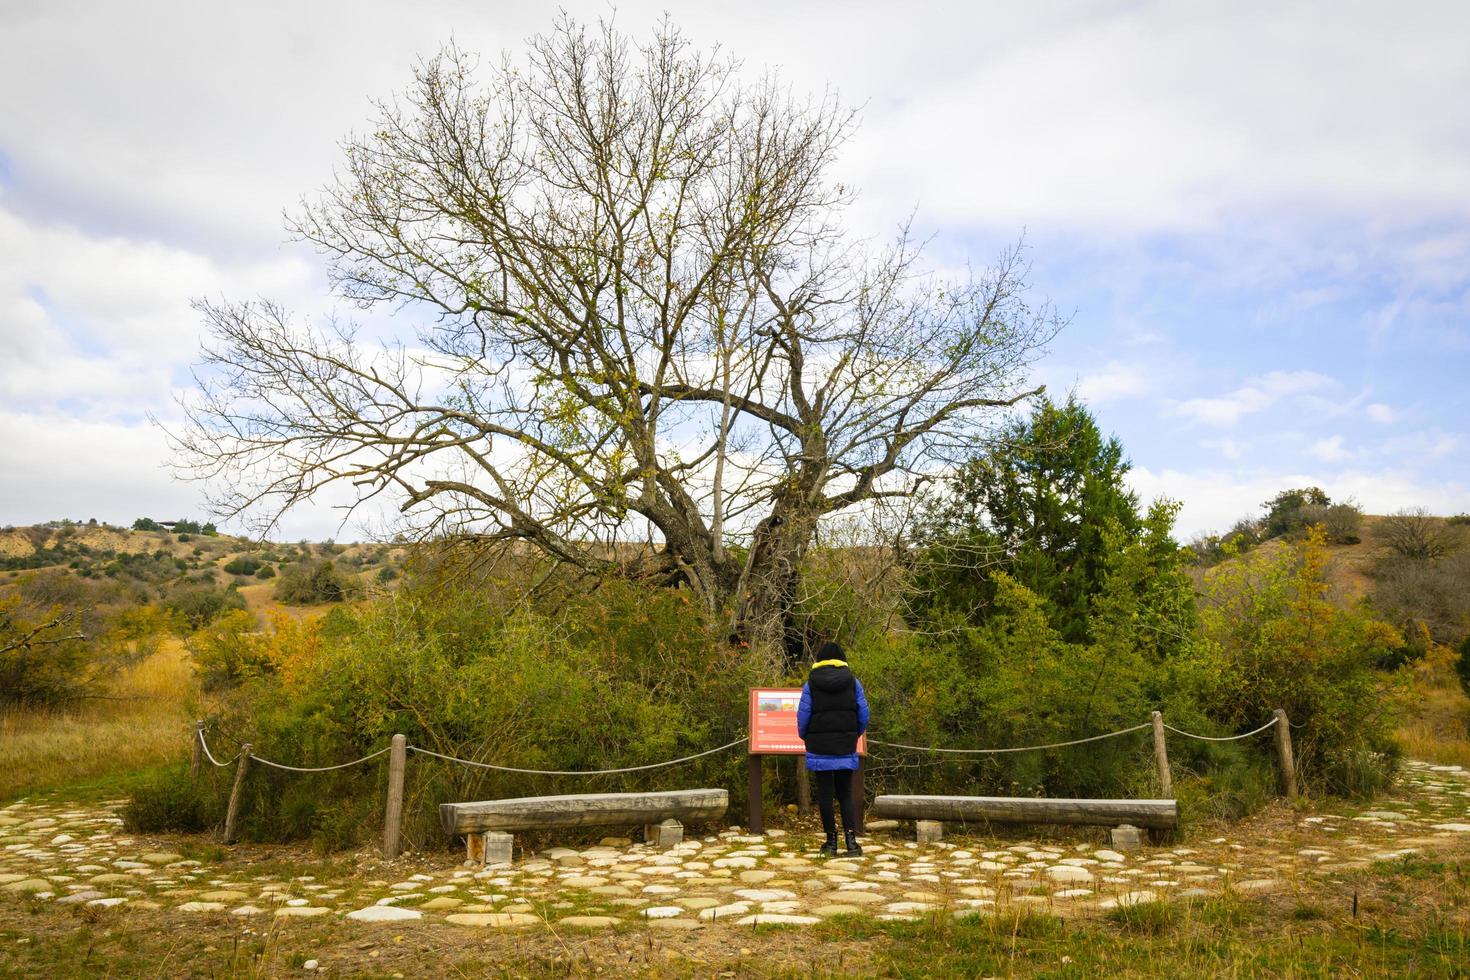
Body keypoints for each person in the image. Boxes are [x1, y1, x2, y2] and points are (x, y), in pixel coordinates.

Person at [796, 641, 869, 857]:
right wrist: (853, 734)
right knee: (845, 794)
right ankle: (852, 842)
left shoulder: (810, 684)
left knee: (826, 796)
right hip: (845, 744)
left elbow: (803, 717)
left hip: (819, 747)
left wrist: (806, 737)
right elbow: (864, 714)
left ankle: (831, 842)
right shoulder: (853, 682)